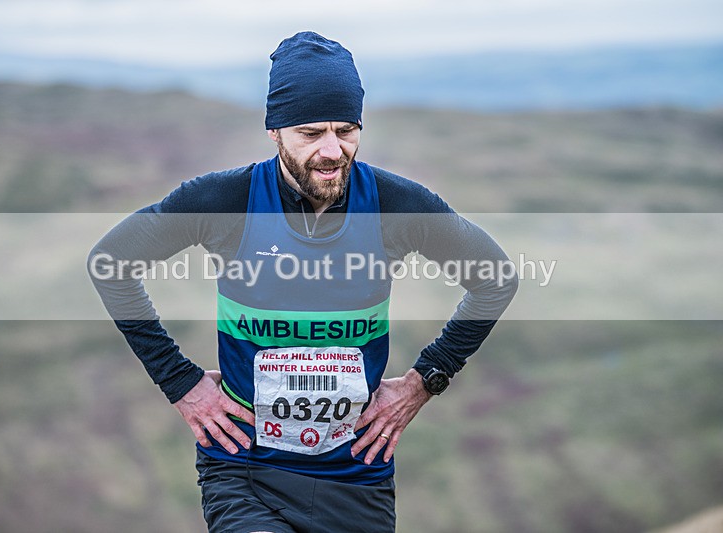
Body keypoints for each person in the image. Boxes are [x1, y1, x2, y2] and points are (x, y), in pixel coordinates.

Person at [89, 31, 517, 533]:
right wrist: (180, 382)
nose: (333, 150)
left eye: (347, 130)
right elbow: (112, 261)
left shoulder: (397, 205)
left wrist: (425, 381)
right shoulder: (224, 199)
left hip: (357, 476)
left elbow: (495, 278)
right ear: (275, 132)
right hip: (244, 469)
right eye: (311, 132)